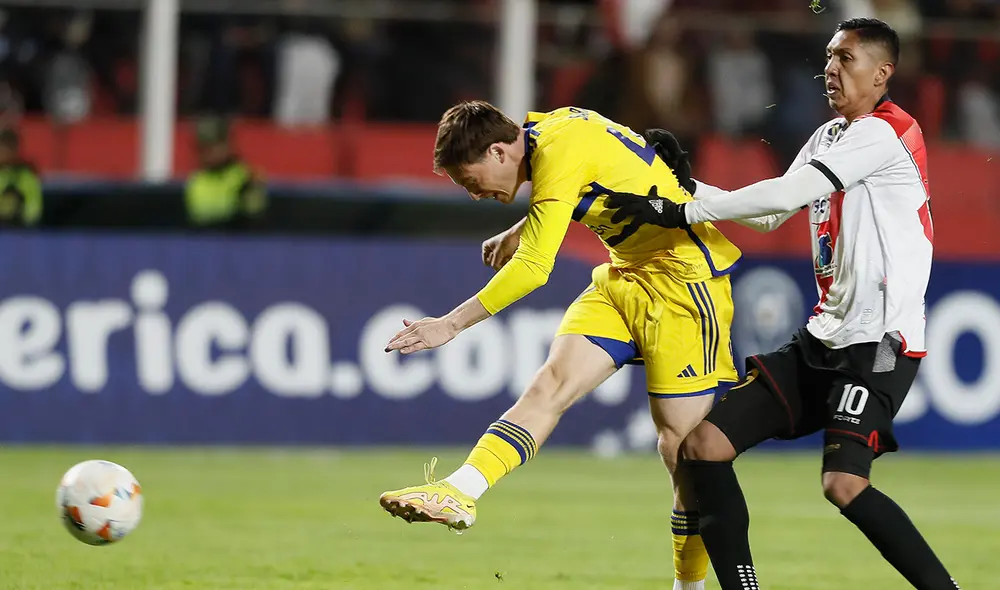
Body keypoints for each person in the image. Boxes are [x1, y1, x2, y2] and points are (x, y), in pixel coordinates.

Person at [603, 18, 960, 590]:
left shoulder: (888, 132)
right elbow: (771, 214)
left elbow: (790, 192)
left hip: (880, 344)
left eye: (846, 59)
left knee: (843, 484)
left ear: (882, 73)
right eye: (829, 56)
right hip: (822, 339)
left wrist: (681, 211)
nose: (831, 69)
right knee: (703, 447)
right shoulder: (829, 137)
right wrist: (684, 184)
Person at [380, 100, 743, 590]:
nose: (474, 194)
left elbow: (534, 268)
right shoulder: (542, 130)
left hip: (684, 285)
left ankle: (689, 587)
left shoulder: (559, 146)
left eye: (470, 180)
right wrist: (523, 227)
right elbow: (594, 174)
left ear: (498, 151)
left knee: (682, 451)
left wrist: (451, 324)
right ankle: (458, 491)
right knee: (548, 386)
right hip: (624, 277)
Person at [184, 117, 267, 230]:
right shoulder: (195, 181)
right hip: (203, 238)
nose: (211, 152)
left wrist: (247, 193)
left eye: (216, 145)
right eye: (205, 147)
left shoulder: (246, 176)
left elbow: (255, 216)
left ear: (228, 144)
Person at [0, 128, 43, 228]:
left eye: (4, 149)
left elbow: (33, 212)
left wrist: (18, 218)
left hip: (18, 232)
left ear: (13, 151)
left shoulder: (25, 176)